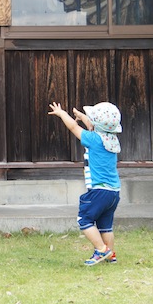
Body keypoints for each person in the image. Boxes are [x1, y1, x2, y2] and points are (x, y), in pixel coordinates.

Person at [48, 101, 122, 266]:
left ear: (96, 125)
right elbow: (93, 126)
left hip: (98, 191)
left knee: (84, 220)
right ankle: (111, 254)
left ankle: (101, 249)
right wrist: (82, 116)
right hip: (113, 192)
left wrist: (62, 114)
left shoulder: (93, 139)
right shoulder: (112, 140)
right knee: (105, 226)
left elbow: (73, 128)